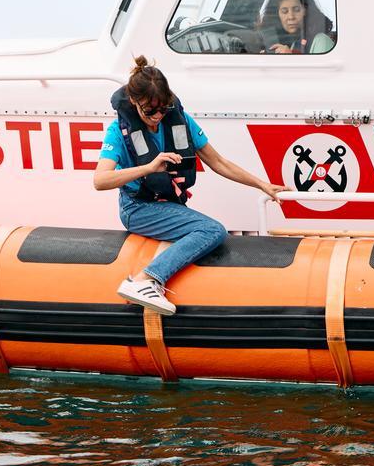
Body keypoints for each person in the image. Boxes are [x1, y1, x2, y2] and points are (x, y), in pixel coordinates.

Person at [94, 56, 289, 316]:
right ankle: (145, 280)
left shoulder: (179, 119)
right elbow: (100, 180)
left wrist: (262, 185)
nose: (156, 117)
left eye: (162, 109)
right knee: (212, 230)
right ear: (133, 102)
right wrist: (149, 167)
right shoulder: (118, 131)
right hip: (137, 208)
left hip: (169, 205)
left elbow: (218, 162)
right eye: (148, 111)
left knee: (209, 231)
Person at [257, 0, 335, 54]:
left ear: (306, 10)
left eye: (297, 10)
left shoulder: (321, 41)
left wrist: (290, 58)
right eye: (284, 11)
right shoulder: (294, 43)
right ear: (277, 15)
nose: (291, 17)